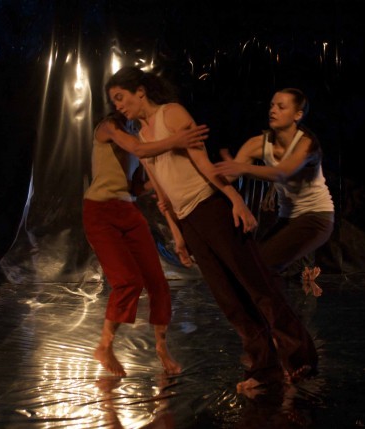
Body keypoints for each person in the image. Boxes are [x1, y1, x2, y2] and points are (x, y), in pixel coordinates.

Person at [105, 66, 318, 391]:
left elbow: (203, 162)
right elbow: (162, 193)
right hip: (189, 221)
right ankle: (264, 368)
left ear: (140, 91)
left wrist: (235, 198)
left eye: (121, 97)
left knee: (255, 284)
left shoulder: (171, 114)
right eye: (114, 101)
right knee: (228, 298)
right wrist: (177, 234)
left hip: (211, 208)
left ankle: (300, 358)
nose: (119, 106)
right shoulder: (141, 135)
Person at [83, 110, 208, 377]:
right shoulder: (108, 128)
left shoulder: (135, 136)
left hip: (128, 210)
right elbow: (138, 148)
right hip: (99, 210)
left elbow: (136, 187)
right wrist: (176, 142)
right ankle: (104, 347)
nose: (126, 106)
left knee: (158, 283)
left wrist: (163, 179)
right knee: (128, 281)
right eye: (118, 99)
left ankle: (162, 347)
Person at [213, 88, 335, 288]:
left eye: (281, 106)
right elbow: (231, 174)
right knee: (255, 265)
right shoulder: (257, 144)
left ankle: (278, 317)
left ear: (298, 115)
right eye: (271, 105)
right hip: (288, 219)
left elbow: (281, 172)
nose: (273, 110)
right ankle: (271, 316)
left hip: (316, 218)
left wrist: (242, 167)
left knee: (262, 267)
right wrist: (209, 170)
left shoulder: (306, 144)